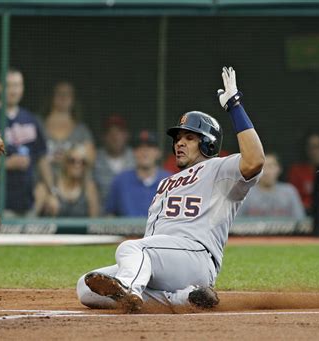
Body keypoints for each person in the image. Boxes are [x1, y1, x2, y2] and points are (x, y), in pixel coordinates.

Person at [77, 67, 265, 313]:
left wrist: (234, 106)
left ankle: (130, 290)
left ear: (207, 142)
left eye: (189, 137)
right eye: (177, 138)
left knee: (130, 248)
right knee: (85, 286)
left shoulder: (219, 170)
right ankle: (185, 299)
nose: (179, 143)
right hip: (162, 259)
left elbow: (255, 160)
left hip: (196, 256)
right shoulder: (166, 182)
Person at [0, 68, 54, 217]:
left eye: (18, 85)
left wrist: (51, 192)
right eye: (9, 85)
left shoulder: (30, 119)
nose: (14, 91)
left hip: (27, 202)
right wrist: (7, 163)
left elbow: (42, 159)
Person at [104, 129, 171, 217]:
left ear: (158, 152)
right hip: (126, 230)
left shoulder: (171, 182)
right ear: (134, 152)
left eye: (150, 147)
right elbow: (109, 216)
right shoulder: (120, 181)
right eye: (140, 148)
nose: (144, 152)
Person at [43, 81, 96, 175]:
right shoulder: (38, 125)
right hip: (41, 184)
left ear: (73, 99)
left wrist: (70, 156)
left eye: (68, 94)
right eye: (59, 93)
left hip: (71, 184)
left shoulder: (81, 130)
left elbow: (91, 160)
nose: (63, 97)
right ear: (51, 96)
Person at [35, 144, 100, 217]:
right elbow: (32, 217)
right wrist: (47, 209)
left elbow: (94, 222)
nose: (77, 165)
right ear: (65, 163)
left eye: (82, 162)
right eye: (72, 161)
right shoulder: (49, 185)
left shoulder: (89, 188)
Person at [239, 152, 306, 220]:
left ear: (279, 169)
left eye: (271, 166)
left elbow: (300, 221)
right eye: (261, 167)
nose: (266, 172)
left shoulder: (289, 192)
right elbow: (235, 222)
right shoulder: (246, 193)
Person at [94, 115, 135, 204]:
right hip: (101, 214)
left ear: (126, 135)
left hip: (130, 214)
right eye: (110, 133)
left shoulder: (135, 157)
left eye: (119, 132)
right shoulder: (95, 159)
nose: (115, 137)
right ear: (103, 136)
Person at [287, 133, 319, 212]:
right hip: (304, 212)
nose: (316, 151)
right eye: (313, 147)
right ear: (307, 149)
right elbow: (293, 199)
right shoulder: (297, 170)